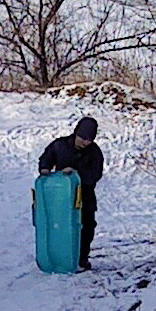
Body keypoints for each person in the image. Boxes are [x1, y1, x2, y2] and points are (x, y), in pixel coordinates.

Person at [38, 116, 103, 271]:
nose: (85, 142)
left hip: (84, 197)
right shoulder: (60, 145)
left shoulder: (95, 152)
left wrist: (76, 174)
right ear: (76, 133)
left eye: (89, 140)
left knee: (86, 227)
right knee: (60, 225)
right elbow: (46, 157)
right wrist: (45, 168)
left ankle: (81, 260)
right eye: (82, 138)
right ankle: (58, 256)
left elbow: (95, 174)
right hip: (60, 197)